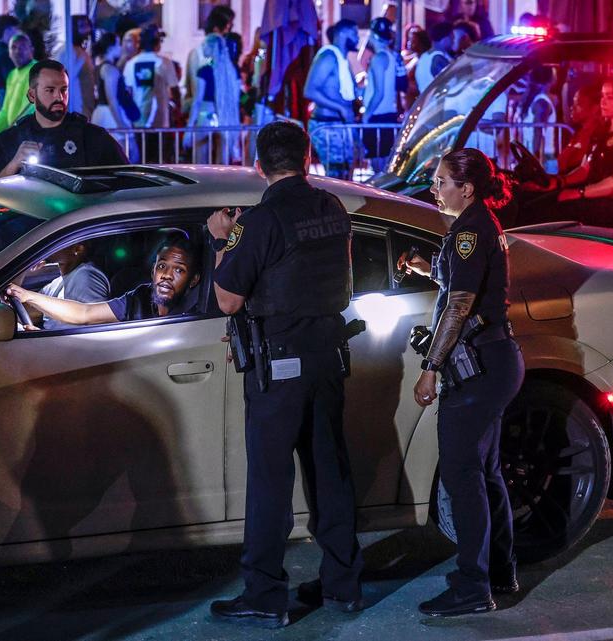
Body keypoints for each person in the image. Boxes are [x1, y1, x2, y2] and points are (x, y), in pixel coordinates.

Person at [207, 121, 363, 628]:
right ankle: (343, 584)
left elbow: (228, 298)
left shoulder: (261, 220)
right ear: (308, 156)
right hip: (328, 352)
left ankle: (265, 594)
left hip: (280, 359)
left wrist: (223, 241)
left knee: (270, 481)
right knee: (329, 471)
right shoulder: (331, 207)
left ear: (259, 165)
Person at [397, 148, 522, 617]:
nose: (434, 189)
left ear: (465, 188)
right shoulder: (476, 226)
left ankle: (472, 587)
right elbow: (463, 280)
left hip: (480, 367)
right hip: (495, 363)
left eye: (440, 181)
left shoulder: (470, 229)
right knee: (484, 473)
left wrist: (430, 366)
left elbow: (460, 304)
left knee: (461, 476)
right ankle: (499, 570)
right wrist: (426, 267)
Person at [0, 59, 127, 181]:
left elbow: (126, 181)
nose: (59, 97)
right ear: (32, 95)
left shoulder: (93, 137)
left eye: (64, 90)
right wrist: (13, 165)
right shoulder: (9, 141)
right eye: (50, 90)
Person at [7, 234, 200, 325]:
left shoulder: (195, 314)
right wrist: (25, 295)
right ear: (152, 272)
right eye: (161, 266)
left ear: (193, 280)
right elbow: (85, 313)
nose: (166, 274)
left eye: (179, 270)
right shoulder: (140, 298)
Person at [554, 75, 613, 227]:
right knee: (546, 199)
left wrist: (579, 193)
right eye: (602, 96)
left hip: (610, 204)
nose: (603, 102)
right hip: (591, 196)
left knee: (551, 211)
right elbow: (586, 168)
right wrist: (559, 182)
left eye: (609, 97)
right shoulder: (601, 130)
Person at [306, 19, 360, 179]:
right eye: (354, 33)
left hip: (341, 125)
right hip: (326, 124)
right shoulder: (328, 56)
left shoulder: (343, 60)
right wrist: (340, 107)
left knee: (346, 175)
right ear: (342, 33)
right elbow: (310, 90)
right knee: (336, 177)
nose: (358, 38)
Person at [123, 24, 180, 163]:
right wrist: (176, 107)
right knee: (159, 162)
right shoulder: (164, 62)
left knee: (141, 162)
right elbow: (175, 90)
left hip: (138, 121)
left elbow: (127, 93)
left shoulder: (131, 64)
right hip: (160, 121)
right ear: (156, 42)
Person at [187, 34, 241, 164]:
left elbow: (197, 100)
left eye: (205, 45)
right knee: (223, 160)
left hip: (206, 113)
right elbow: (237, 99)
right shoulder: (232, 71)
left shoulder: (204, 70)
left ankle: (203, 183)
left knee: (200, 156)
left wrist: (189, 128)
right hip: (225, 116)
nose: (203, 48)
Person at [362, 17, 400, 173]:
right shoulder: (389, 55)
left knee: (378, 169)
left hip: (378, 116)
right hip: (386, 115)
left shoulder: (378, 58)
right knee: (383, 166)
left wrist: (366, 116)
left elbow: (379, 93)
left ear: (371, 35)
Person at [0, 34, 38, 136]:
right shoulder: (12, 75)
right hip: (15, 136)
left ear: (32, 50)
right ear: (9, 53)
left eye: (22, 47)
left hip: (29, 136)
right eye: (13, 47)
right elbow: (5, 113)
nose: (18, 51)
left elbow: (29, 109)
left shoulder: (37, 71)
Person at [91, 33, 137, 153]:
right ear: (111, 47)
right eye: (118, 44)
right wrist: (120, 123)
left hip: (103, 112)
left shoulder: (102, 67)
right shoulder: (109, 69)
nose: (121, 47)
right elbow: (112, 98)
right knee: (126, 153)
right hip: (111, 115)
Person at [185, 5, 235, 116]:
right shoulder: (202, 55)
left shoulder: (226, 57)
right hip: (206, 112)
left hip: (219, 114)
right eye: (226, 29)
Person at [53, 14, 96, 117]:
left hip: (83, 109)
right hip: (76, 109)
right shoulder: (68, 51)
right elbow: (64, 82)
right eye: (82, 26)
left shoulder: (80, 51)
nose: (87, 29)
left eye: (87, 25)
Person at [557, 82, 601, 175]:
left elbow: (579, 169)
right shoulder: (580, 133)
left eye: (578, 104)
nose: (572, 107)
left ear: (595, 108)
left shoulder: (595, 135)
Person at [416, 22, 454, 95]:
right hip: (438, 104)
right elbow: (452, 83)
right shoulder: (439, 59)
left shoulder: (424, 56)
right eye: (452, 37)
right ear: (445, 39)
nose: (453, 41)